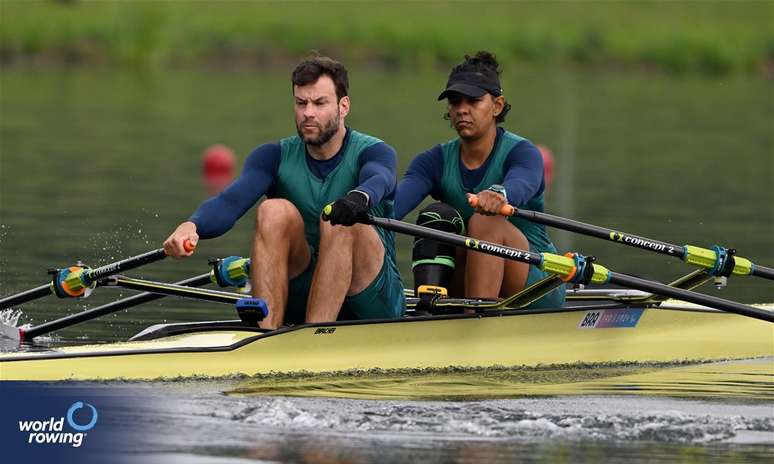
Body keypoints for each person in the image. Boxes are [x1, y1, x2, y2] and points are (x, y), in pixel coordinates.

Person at [164, 56, 405, 329]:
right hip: (302, 290)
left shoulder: (375, 152)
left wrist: (358, 199)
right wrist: (191, 225)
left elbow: (380, 177)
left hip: (372, 299)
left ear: (343, 106)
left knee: (338, 218)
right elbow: (231, 201)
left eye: (320, 103)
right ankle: (266, 334)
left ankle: (315, 336)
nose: (308, 113)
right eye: (301, 103)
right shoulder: (273, 156)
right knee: (272, 210)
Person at [395, 51, 565, 308]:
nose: (462, 109)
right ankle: (433, 311)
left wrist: (500, 194)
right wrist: (359, 207)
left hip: (535, 286)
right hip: (470, 275)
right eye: (455, 101)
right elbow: (392, 207)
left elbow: (523, 181)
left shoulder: (523, 152)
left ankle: (474, 320)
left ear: (497, 106)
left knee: (485, 221)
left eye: (472, 101)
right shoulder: (433, 161)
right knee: (436, 217)